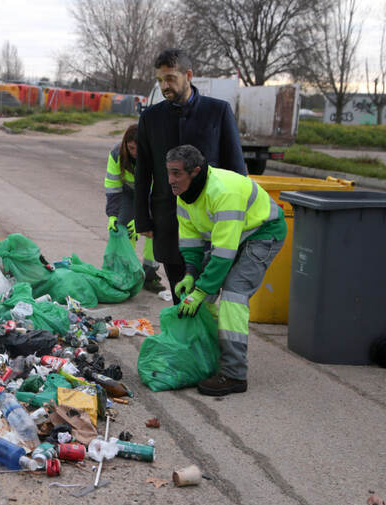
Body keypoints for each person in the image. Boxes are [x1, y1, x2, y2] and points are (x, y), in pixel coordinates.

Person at [168, 145, 285, 396]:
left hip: (263, 233)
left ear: (195, 171)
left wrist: (201, 288)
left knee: (233, 294)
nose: (171, 180)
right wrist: (190, 274)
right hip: (231, 238)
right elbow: (191, 239)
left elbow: (222, 255)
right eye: (169, 173)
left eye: (176, 173)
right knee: (201, 295)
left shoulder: (223, 191)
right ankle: (202, 360)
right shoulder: (185, 194)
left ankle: (234, 374)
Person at [134, 48, 246, 305]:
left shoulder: (218, 112)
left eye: (171, 78)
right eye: (160, 80)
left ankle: (203, 341)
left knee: (207, 295)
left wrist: (240, 220)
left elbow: (237, 172)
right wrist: (143, 219)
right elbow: (143, 172)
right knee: (179, 294)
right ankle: (186, 343)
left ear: (189, 75)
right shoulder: (151, 118)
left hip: (212, 222)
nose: (165, 85)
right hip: (169, 222)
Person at [103, 124, 164, 293]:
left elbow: (158, 193)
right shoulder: (117, 154)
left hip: (153, 196)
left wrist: (143, 219)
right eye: (131, 148)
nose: (135, 152)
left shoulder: (155, 156)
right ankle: (127, 274)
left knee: (153, 230)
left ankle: (150, 275)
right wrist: (112, 215)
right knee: (123, 228)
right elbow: (113, 185)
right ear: (125, 145)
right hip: (128, 194)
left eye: (139, 148)